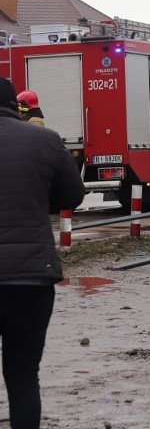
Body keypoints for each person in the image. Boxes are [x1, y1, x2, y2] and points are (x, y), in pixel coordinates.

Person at [0, 77, 85, 428]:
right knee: (22, 377)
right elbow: (73, 196)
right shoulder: (44, 140)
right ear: (15, 106)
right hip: (30, 279)